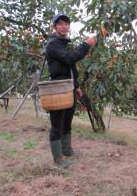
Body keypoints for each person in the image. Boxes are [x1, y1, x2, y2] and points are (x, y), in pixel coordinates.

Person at [45, 13, 97, 168]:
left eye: (66, 24)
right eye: (60, 24)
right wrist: (86, 45)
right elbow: (70, 58)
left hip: (69, 87)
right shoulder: (53, 44)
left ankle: (67, 150)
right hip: (58, 88)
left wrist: (77, 86)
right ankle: (58, 159)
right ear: (55, 27)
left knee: (67, 121)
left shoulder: (62, 43)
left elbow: (70, 67)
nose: (64, 26)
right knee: (57, 125)